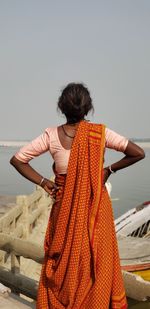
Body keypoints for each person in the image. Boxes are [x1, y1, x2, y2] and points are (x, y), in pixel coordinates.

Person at [10, 83, 145, 309]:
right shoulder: (100, 133)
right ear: (88, 108)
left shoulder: (51, 135)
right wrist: (107, 170)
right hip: (95, 206)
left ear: (61, 108)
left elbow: (17, 159)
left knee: (63, 259)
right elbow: (137, 153)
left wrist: (44, 182)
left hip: (63, 207)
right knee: (95, 259)